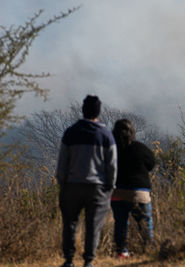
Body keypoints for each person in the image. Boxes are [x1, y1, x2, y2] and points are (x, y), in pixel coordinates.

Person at [56, 95, 117, 267]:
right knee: (93, 226)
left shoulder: (70, 132)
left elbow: (62, 163)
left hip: (72, 186)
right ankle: (88, 261)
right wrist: (110, 186)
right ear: (98, 111)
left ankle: (68, 260)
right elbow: (112, 165)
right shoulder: (106, 135)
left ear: (83, 110)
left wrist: (62, 184)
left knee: (69, 223)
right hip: (97, 188)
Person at [111, 119, 156, 258]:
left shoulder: (112, 150)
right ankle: (148, 250)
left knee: (120, 223)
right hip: (140, 193)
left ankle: (121, 251)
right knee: (145, 223)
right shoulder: (140, 148)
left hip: (118, 193)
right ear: (132, 133)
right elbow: (151, 164)